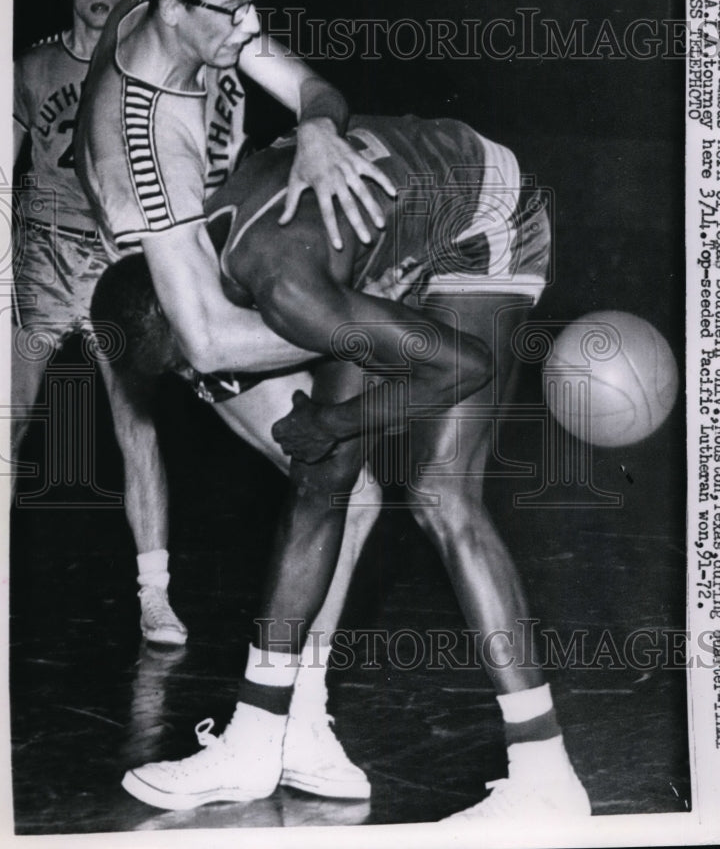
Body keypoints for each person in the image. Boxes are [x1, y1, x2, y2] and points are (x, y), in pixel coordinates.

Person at [92, 113, 591, 821]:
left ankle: (546, 776)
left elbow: (463, 367)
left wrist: (331, 419)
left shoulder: (285, 285)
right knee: (320, 478)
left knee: (437, 493)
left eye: (196, 361)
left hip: (479, 215)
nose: (211, 378)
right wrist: (325, 430)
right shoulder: (208, 261)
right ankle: (261, 738)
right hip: (369, 242)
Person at [75, 0, 399, 800]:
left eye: (257, 3)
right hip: (172, 299)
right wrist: (377, 332)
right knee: (344, 483)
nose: (251, 27)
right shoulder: (141, 139)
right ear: (172, 9)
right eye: (234, 11)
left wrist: (321, 129)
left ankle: (297, 719)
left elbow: (309, 89)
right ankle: (269, 726)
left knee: (350, 492)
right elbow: (208, 332)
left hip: (219, 247)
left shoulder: (209, 21)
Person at [12, 0, 187, 646]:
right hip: (41, 254)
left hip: (115, 259)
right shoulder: (31, 66)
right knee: (6, 420)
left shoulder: (146, 72)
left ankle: (155, 596)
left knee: (136, 428)